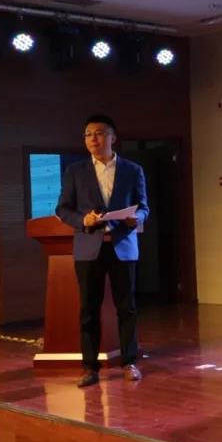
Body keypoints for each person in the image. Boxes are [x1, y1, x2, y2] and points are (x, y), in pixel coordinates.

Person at [55, 114, 149, 388]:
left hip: (123, 246)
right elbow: (63, 208)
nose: (93, 139)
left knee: (127, 308)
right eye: (88, 134)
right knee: (88, 309)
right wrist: (82, 220)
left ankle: (129, 362)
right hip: (88, 247)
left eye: (99, 133)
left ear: (113, 137)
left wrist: (137, 218)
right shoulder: (75, 171)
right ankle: (89, 368)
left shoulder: (133, 170)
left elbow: (144, 206)